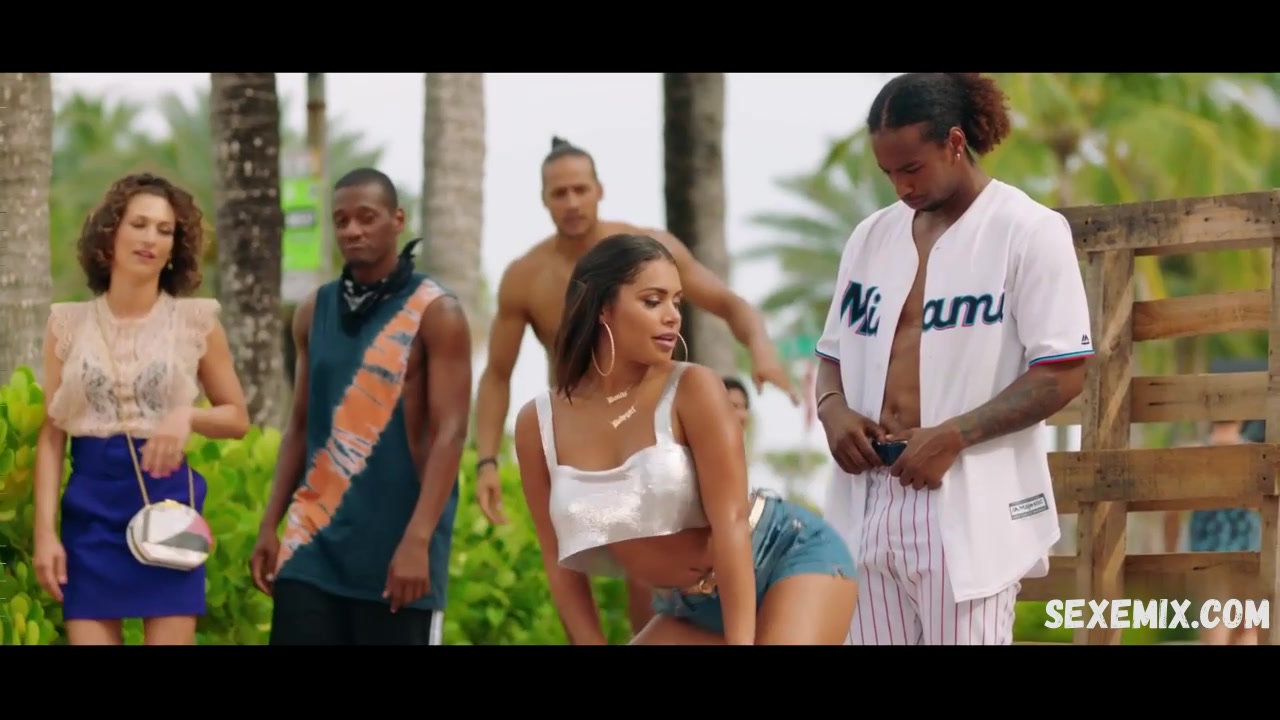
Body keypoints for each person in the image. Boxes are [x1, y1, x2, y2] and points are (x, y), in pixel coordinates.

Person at [474, 136, 798, 636]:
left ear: (599, 190)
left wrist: (761, 349)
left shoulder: (649, 254)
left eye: (580, 189)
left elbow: (729, 303)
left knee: (654, 576)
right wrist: (487, 460)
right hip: (580, 439)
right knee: (572, 560)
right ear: (543, 200)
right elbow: (497, 373)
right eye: (559, 193)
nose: (571, 202)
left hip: (652, 425)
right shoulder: (526, 277)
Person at [814, 73, 1093, 646]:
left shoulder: (1029, 231)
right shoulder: (869, 238)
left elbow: (1063, 373)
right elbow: (833, 355)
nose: (901, 186)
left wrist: (953, 436)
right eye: (888, 172)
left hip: (967, 502)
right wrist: (831, 410)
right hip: (868, 499)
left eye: (912, 168)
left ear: (955, 142)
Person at [513, 233, 858, 645]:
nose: (672, 316)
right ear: (603, 306)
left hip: (785, 558)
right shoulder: (538, 424)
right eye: (652, 301)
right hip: (689, 607)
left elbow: (731, 523)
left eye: (677, 302)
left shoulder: (693, 388)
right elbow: (557, 558)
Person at [249, 168, 473, 645]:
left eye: (367, 217)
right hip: (310, 547)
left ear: (397, 220)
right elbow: (299, 426)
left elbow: (451, 434)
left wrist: (419, 539)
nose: (352, 230)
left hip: (397, 553)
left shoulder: (437, 312)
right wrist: (270, 524)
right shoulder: (314, 310)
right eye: (342, 220)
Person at [31, 173, 249, 645]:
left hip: (166, 505)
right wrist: (44, 534)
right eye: (140, 224)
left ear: (174, 248)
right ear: (110, 235)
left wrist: (187, 416)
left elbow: (237, 417)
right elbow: (52, 435)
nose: (151, 238)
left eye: (165, 230)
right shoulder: (67, 325)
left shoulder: (195, 322)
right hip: (90, 511)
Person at [1188, 417, 1263, 645]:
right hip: (1249, 552)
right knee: (1247, 631)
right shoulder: (1256, 456)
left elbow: (1170, 516)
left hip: (1207, 556)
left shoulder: (1192, 454)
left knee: (1215, 628)